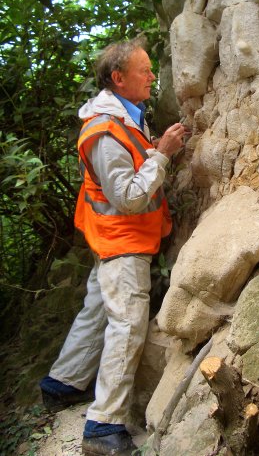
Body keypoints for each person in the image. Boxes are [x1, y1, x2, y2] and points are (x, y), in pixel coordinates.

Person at [39, 39, 186, 456]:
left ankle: (62, 385)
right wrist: (161, 155)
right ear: (119, 79)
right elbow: (128, 197)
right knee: (127, 324)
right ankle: (104, 427)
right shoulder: (105, 130)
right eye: (144, 70)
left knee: (98, 309)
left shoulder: (122, 118)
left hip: (114, 237)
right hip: (123, 239)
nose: (153, 77)